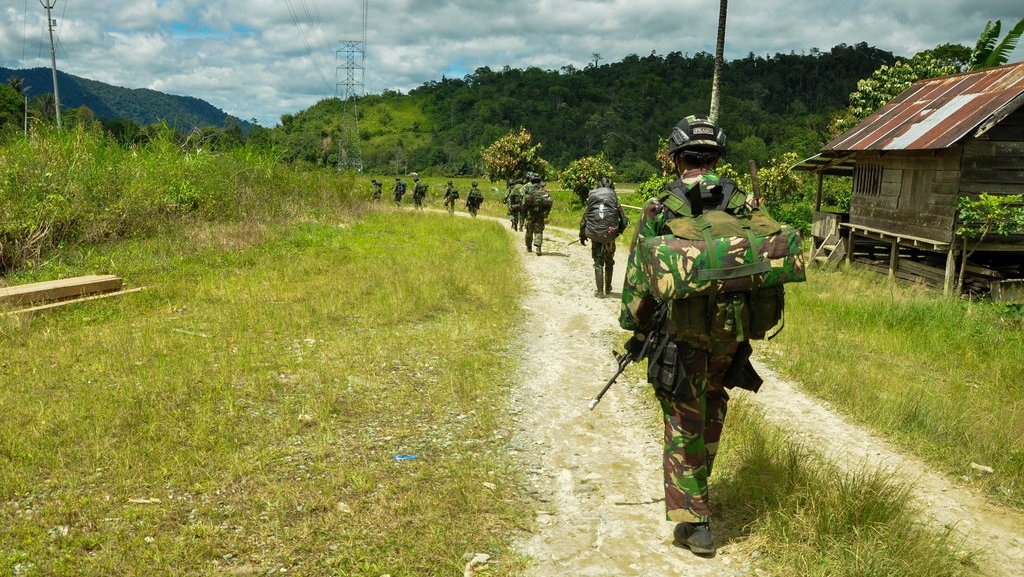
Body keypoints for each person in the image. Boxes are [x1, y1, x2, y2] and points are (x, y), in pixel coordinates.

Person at [618, 114, 760, 557]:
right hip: (731, 330)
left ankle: (696, 523)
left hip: (680, 334)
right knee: (713, 401)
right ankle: (700, 487)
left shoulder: (660, 207)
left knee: (683, 418)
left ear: (677, 159)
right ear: (717, 158)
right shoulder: (741, 202)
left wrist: (635, 330)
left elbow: (640, 280)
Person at [579, 177, 628, 298]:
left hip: (596, 236)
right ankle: (608, 288)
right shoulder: (615, 200)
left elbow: (584, 220)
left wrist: (582, 235)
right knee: (609, 261)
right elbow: (624, 221)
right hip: (610, 237)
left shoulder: (592, 200)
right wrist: (617, 232)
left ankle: (600, 292)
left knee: (598, 263)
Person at [521, 172, 553, 255]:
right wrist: (546, 212)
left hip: (530, 213)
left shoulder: (528, 190)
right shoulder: (544, 190)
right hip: (540, 214)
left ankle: (529, 247)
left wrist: (524, 213)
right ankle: (538, 247)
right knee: (539, 231)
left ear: (531, 180)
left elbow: (524, 203)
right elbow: (549, 202)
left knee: (529, 230)